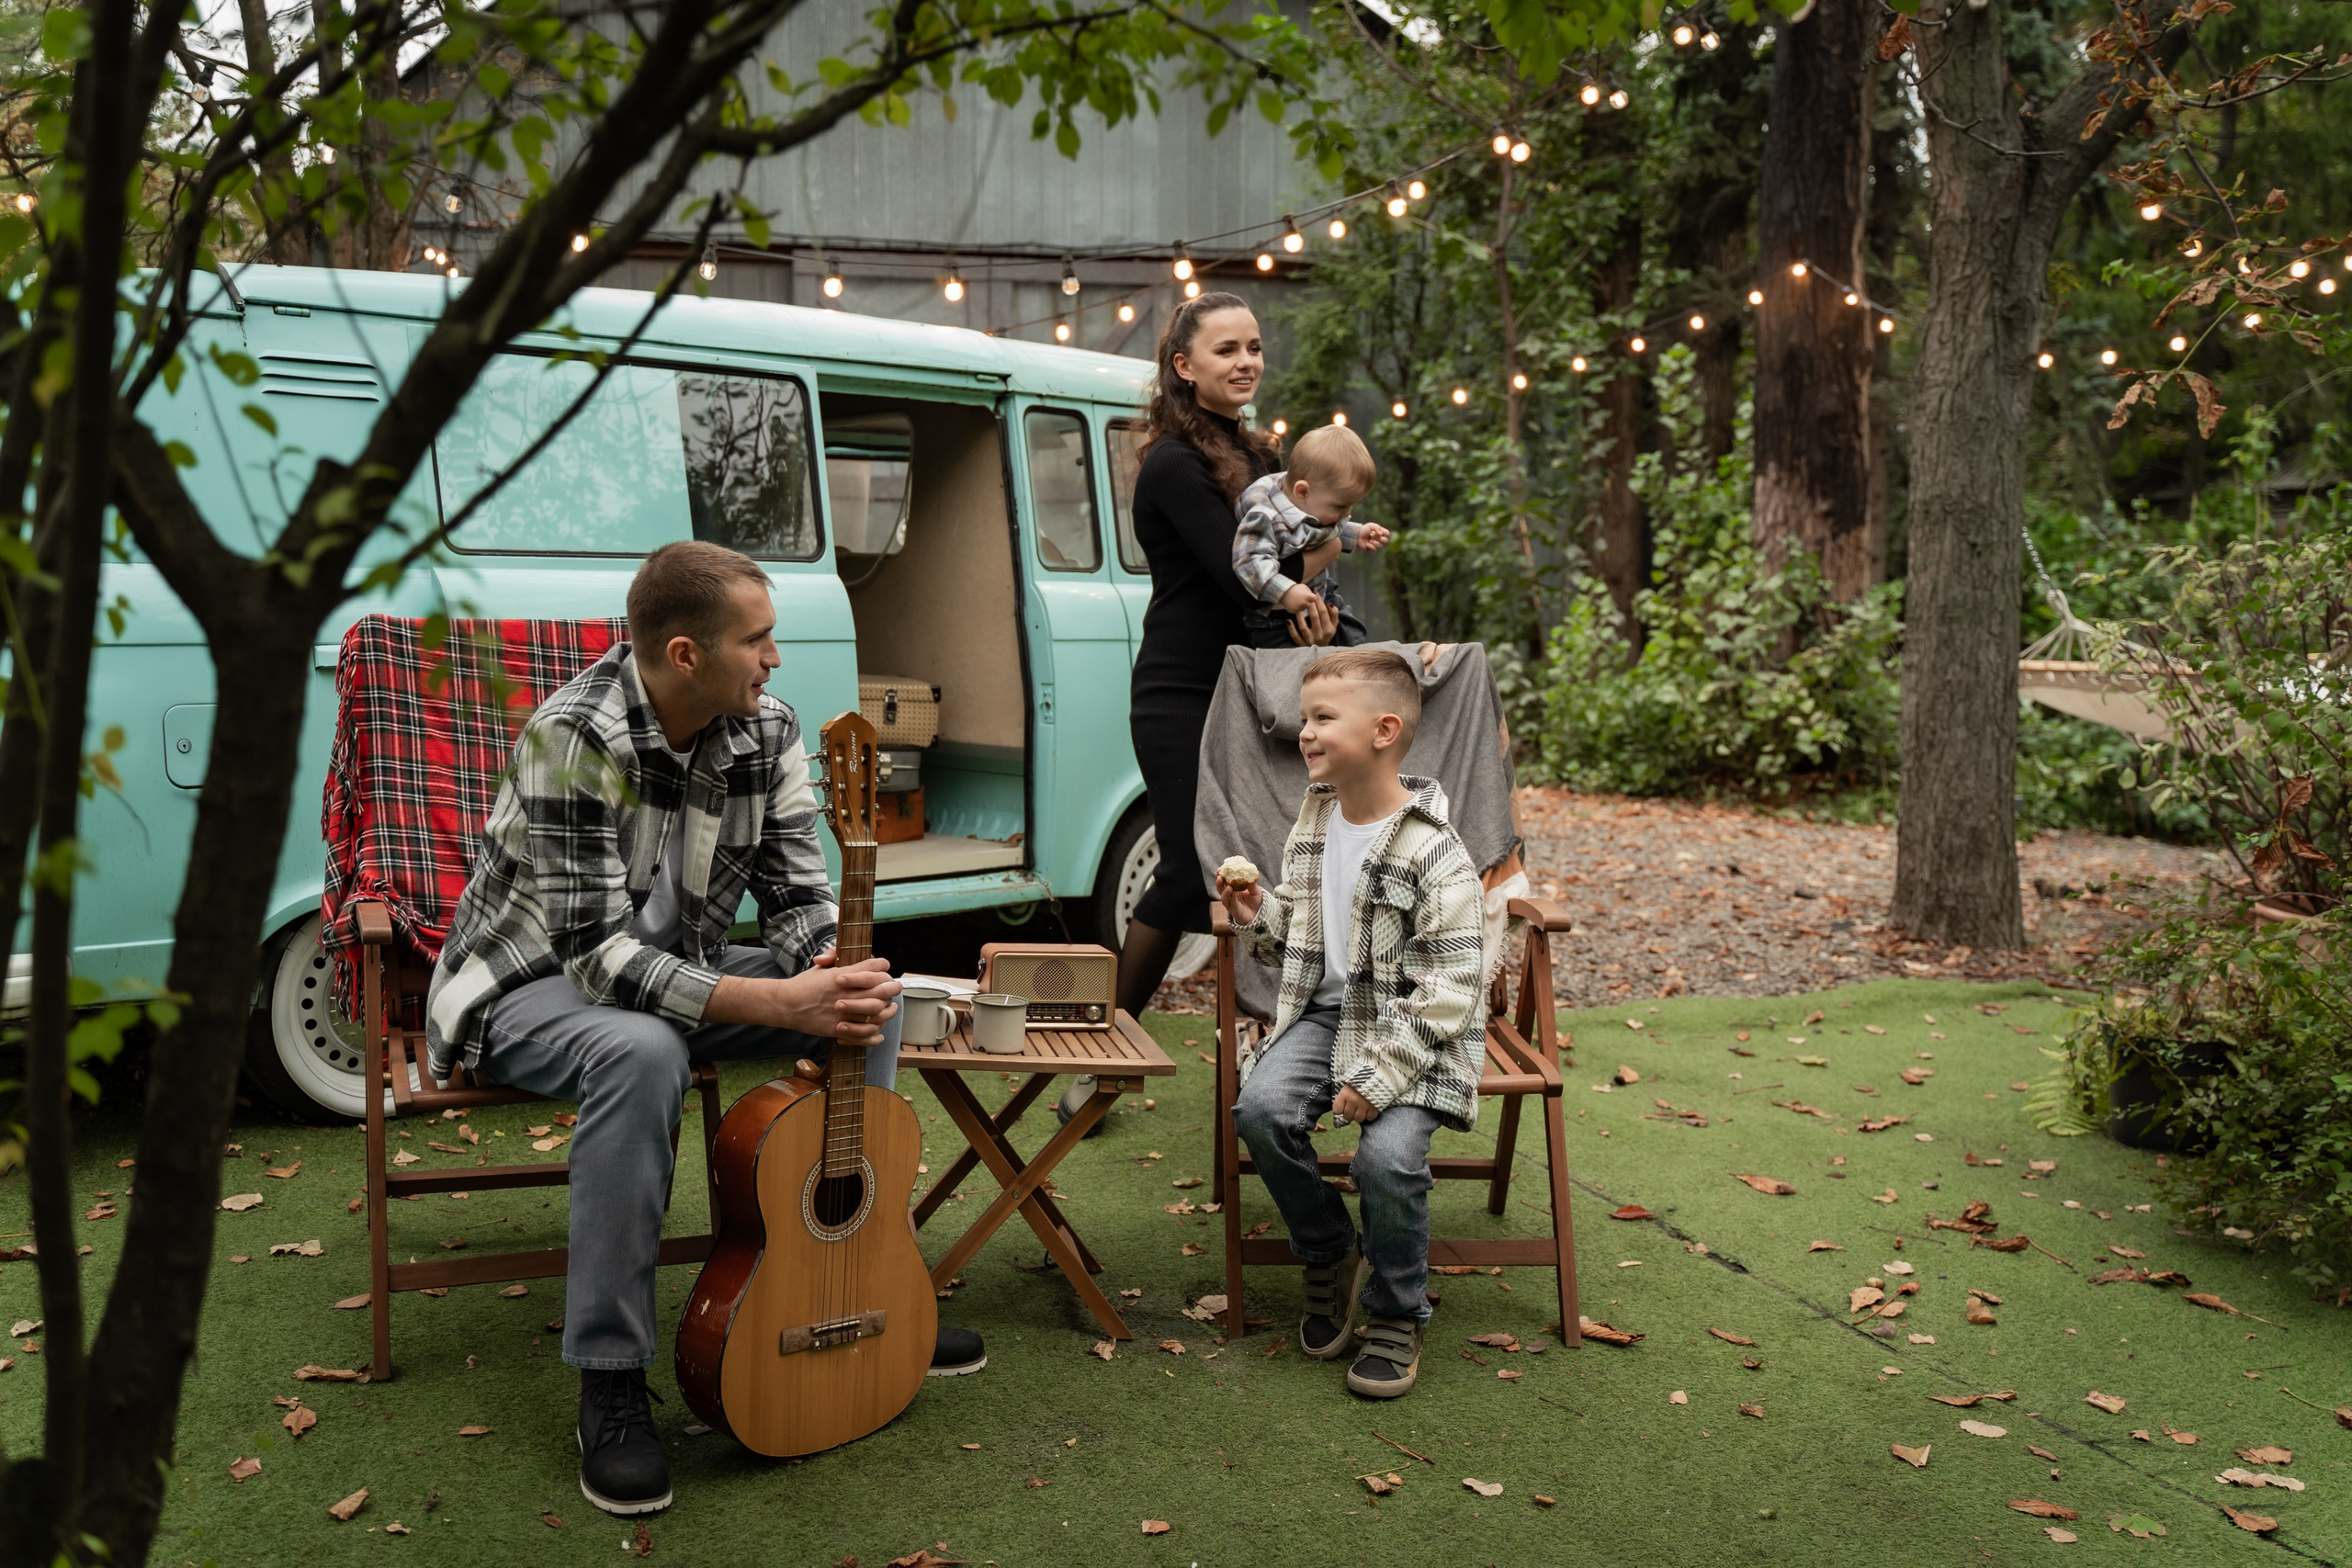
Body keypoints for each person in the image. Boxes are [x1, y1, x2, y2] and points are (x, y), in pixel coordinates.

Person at [425, 541, 984, 1518]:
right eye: (756, 641)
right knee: (643, 1050)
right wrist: (775, 1003)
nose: (774, 661)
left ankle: (856, 1278)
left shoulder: (765, 727)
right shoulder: (571, 739)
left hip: (681, 966)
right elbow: (598, 961)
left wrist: (825, 964)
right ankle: (610, 1377)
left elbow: (800, 891)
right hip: (528, 983)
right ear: (685, 653)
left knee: (864, 998)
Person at [1216, 648, 1486, 1400]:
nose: (1304, 732)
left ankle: (1397, 1309)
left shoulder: (1435, 849)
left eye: (1322, 718)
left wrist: (1376, 1078)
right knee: (1262, 1111)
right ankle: (1330, 1248)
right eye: (1305, 718)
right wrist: (1256, 916)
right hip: (1328, 1013)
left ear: (1385, 729)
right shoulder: (1316, 820)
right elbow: (1301, 940)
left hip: (1416, 1034)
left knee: (1386, 1160)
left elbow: (1451, 986)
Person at [1231, 423, 1393, 650]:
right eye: (1340, 506)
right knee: (1288, 674)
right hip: (1276, 620)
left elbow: (1313, 531)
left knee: (1355, 643)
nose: (1346, 514)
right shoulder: (1264, 517)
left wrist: (1355, 534)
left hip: (1320, 598)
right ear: (1303, 492)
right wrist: (1285, 591)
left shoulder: (1307, 503)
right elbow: (1248, 562)